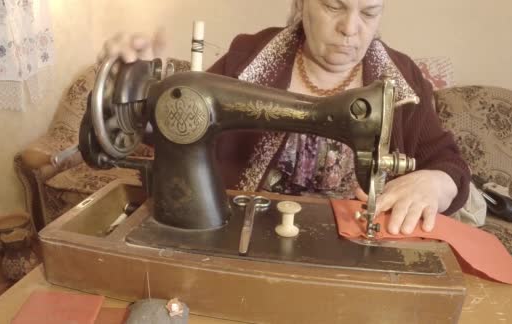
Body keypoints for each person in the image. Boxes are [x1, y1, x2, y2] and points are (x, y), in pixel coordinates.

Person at [99, 0, 471, 236]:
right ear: (301, 3)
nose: (351, 28)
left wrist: (436, 183)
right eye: (333, 5)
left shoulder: (402, 79)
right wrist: (129, 87)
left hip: (358, 249)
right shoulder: (247, 58)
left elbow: (449, 163)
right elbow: (174, 126)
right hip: (243, 241)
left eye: (370, 12)